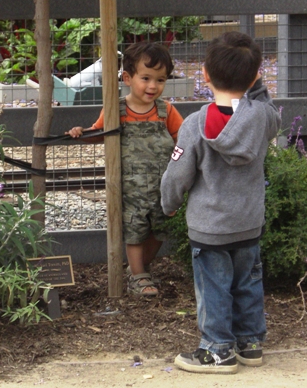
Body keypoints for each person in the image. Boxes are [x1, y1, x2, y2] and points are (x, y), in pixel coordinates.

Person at [160, 31, 281, 374]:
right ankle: (250, 344)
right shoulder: (263, 119)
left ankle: (217, 350)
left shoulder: (196, 125)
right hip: (248, 222)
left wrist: (169, 202)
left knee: (214, 287)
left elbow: (177, 174)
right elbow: (268, 107)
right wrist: (255, 84)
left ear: (206, 75)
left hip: (210, 228)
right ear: (257, 75)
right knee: (247, 283)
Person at [66, 42, 183, 296]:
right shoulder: (116, 109)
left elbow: (183, 140)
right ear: (128, 78)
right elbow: (99, 133)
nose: (153, 86)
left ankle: (139, 269)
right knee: (135, 229)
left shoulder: (166, 111)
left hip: (162, 186)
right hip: (130, 189)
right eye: (146, 78)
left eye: (160, 80)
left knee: (160, 229)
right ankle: (140, 275)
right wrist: (81, 133)